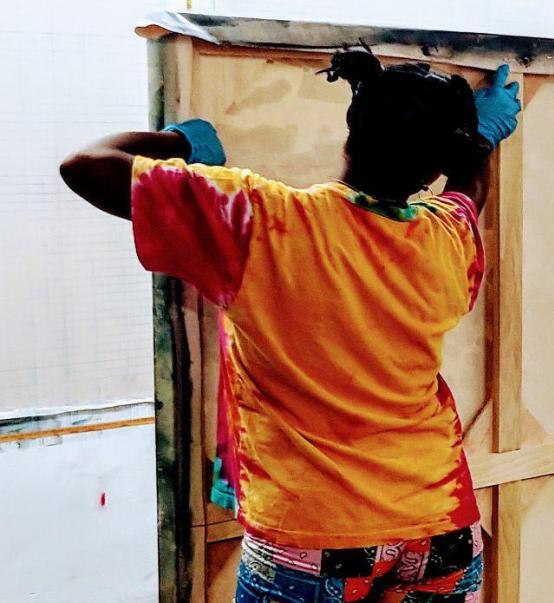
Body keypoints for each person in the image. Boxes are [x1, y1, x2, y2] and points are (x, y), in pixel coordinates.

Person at [59, 50, 522, 601]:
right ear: (431, 168)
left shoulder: (262, 221)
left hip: (314, 537)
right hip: (440, 529)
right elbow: (467, 195)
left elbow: (84, 165)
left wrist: (182, 145)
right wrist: (480, 139)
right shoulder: (447, 240)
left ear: (352, 130)